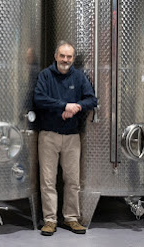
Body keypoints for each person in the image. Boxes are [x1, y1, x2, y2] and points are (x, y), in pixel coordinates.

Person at [34, 40, 98, 236]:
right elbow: (39, 99)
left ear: (73, 58)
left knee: (73, 181)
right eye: (62, 56)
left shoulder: (78, 77)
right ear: (56, 56)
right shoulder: (45, 75)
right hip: (48, 136)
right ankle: (50, 220)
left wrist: (75, 107)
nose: (66, 60)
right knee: (47, 181)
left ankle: (71, 218)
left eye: (69, 56)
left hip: (72, 137)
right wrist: (63, 106)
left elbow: (92, 99)